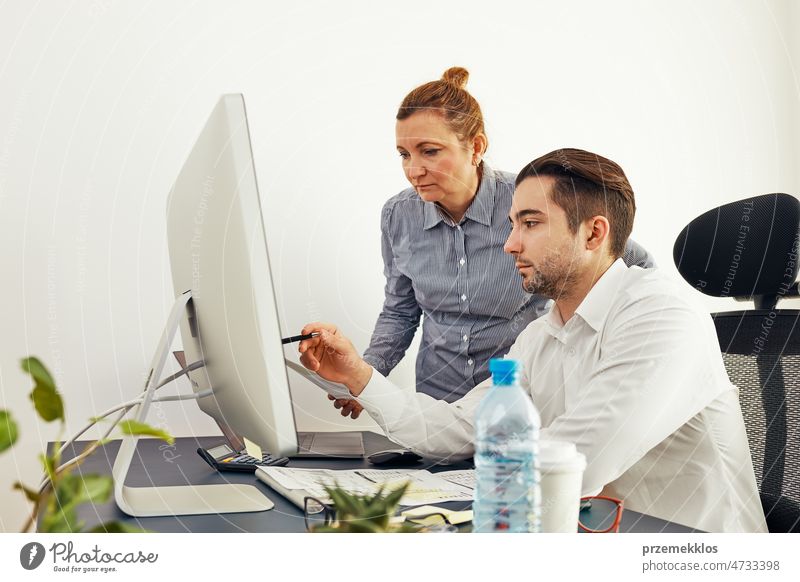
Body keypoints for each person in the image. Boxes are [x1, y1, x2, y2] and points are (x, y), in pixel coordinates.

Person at [298, 148, 767, 532]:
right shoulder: (543, 333)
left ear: (593, 233)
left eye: (530, 223)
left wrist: (411, 506)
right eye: (512, 224)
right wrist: (359, 376)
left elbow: (578, 462)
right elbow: (461, 428)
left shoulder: (662, 316)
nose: (510, 244)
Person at [360, 67, 654, 410]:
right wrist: (366, 377)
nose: (413, 169)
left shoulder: (530, 202)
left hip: (525, 406)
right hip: (439, 407)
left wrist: (611, 352)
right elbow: (400, 311)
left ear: (476, 147)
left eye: (430, 151)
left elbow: (630, 262)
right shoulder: (398, 215)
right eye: (404, 154)